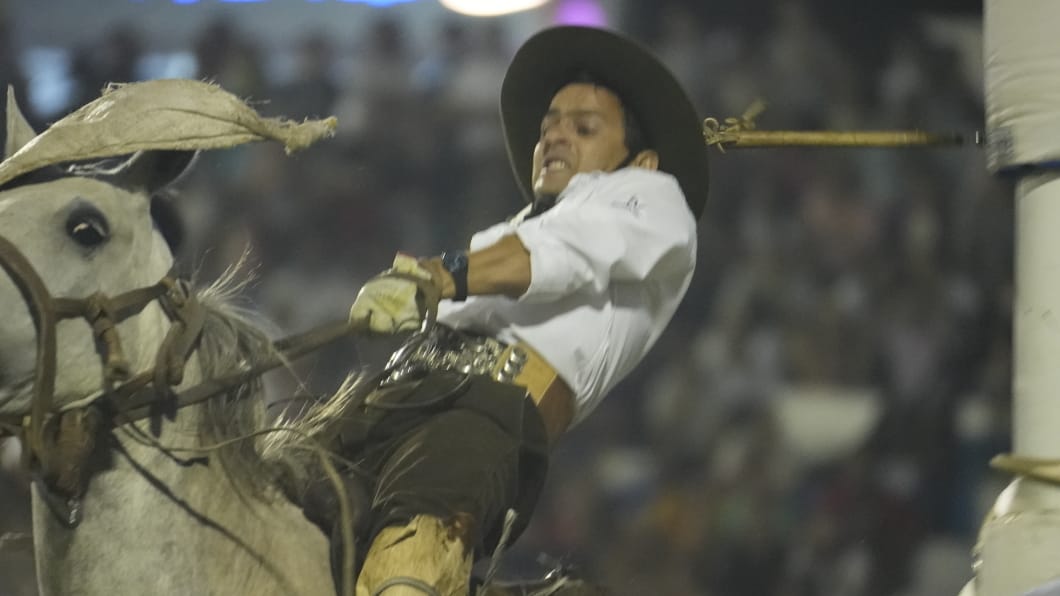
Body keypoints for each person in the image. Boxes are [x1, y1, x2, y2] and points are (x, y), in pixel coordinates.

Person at [321, 25, 710, 596]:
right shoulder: (507, 230)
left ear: (643, 160)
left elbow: (562, 255)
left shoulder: (653, 200)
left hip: (487, 412)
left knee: (406, 566)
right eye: (548, 124)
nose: (553, 136)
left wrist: (437, 277)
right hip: (394, 392)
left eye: (583, 128)